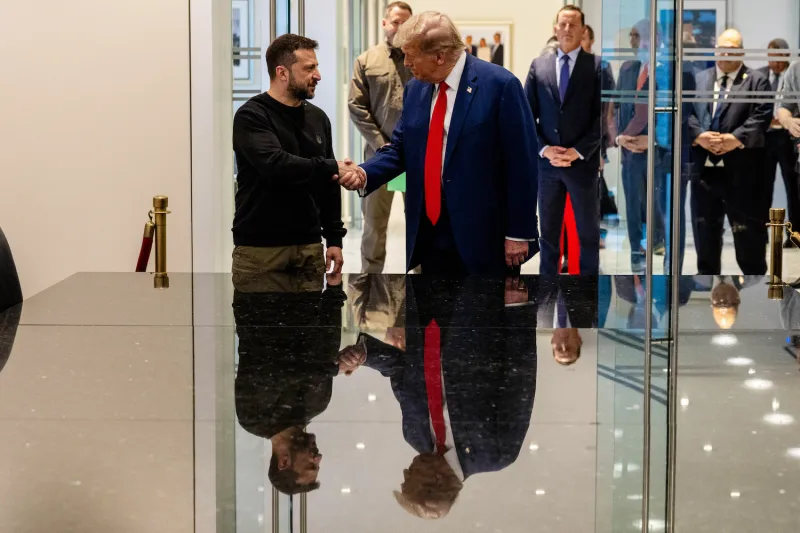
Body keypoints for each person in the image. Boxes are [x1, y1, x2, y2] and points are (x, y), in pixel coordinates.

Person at [337, 11, 540, 276]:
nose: (406, 62)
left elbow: (522, 164)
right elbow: (400, 148)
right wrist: (364, 173)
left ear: (439, 56)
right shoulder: (415, 89)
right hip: (429, 232)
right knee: (431, 313)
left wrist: (519, 232)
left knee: (484, 315)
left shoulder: (500, 86)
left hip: (483, 234)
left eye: (411, 55)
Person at [349, 275, 537, 518]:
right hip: (480, 315)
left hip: (424, 306)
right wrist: (517, 310)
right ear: (436, 481)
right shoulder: (496, 455)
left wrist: (365, 355)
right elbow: (520, 377)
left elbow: (402, 372)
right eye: (409, 479)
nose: (405, 472)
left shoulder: (414, 437)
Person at [232, 34, 354, 284]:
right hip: (261, 252)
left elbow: (328, 183)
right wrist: (332, 166)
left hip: (308, 248)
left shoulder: (318, 118)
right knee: (257, 323)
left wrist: (334, 240)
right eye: (309, 68)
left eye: (316, 66)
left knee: (312, 323)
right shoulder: (251, 116)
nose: (318, 75)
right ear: (282, 73)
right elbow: (276, 165)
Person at [233, 270, 349, 495]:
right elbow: (327, 344)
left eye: (310, 464)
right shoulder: (318, 404)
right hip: (307, 288)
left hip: (261, 292)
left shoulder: (252, 419)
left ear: (284, 462)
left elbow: (274, 369)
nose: (318, 457)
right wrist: (334, 293)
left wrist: (331, 369)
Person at [525, 5, 603, 275]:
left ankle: (588, 298)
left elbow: (602, 119)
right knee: (548, 237)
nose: (568, 29)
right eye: (563, 24)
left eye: (573, 25)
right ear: (555, 29)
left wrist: (578, 151)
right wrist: (545, 149)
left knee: (588, 236)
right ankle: (547, 296)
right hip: (547, 167)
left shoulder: (596, 67)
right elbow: (526, 117)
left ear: (583, 30)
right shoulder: (539, 65)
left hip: (582, 165)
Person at [688, 29, 772, 275]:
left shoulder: (757, 80)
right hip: (704, 173)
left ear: (741, 52)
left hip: (742, 175)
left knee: (749, 243)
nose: (723, 54)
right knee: (705, 240)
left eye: (730, 50)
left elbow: (762, 115)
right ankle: (709, 287)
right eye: (720, 49)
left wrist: (735, 139)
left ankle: (755, 298)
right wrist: (699, 136)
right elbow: (687, 113)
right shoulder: (700, 78)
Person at [349, 2, 414, 273]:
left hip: (416, 159)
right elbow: (356, 106)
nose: (401, 28)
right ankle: (369, 286)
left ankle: (425, 293)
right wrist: (381, 144)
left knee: (420, 225)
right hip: (379, 159)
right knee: (374, 226)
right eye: (396, 21)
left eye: (407, 23)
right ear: (385, 23)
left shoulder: (421, 59)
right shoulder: (366, 60)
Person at [759, 38, 799, 248]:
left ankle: (793, 233)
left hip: (788, 139)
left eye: (776, 54)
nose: (772, 59)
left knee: (792, 187)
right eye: (770, 54)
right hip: (766, 137)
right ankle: (763, 232)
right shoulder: (760, 74)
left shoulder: (792, 73)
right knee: (763, 186)